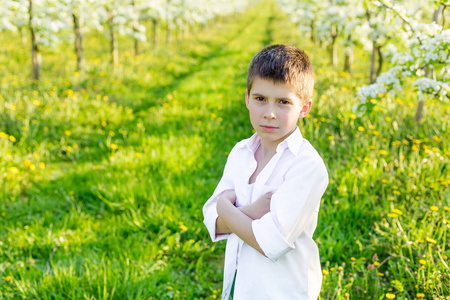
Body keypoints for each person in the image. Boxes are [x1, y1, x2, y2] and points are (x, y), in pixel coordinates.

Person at [202, 44, 329, 300]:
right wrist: (249, 212)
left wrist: (226, 207)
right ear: (247, 98)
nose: (269, 113)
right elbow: (211, 220)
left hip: (283, 289)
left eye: (283, 102)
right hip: (241, 285)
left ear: (304, 108)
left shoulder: (306, 166)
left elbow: (269, 243)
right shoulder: (241, 152)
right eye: (261, 99)